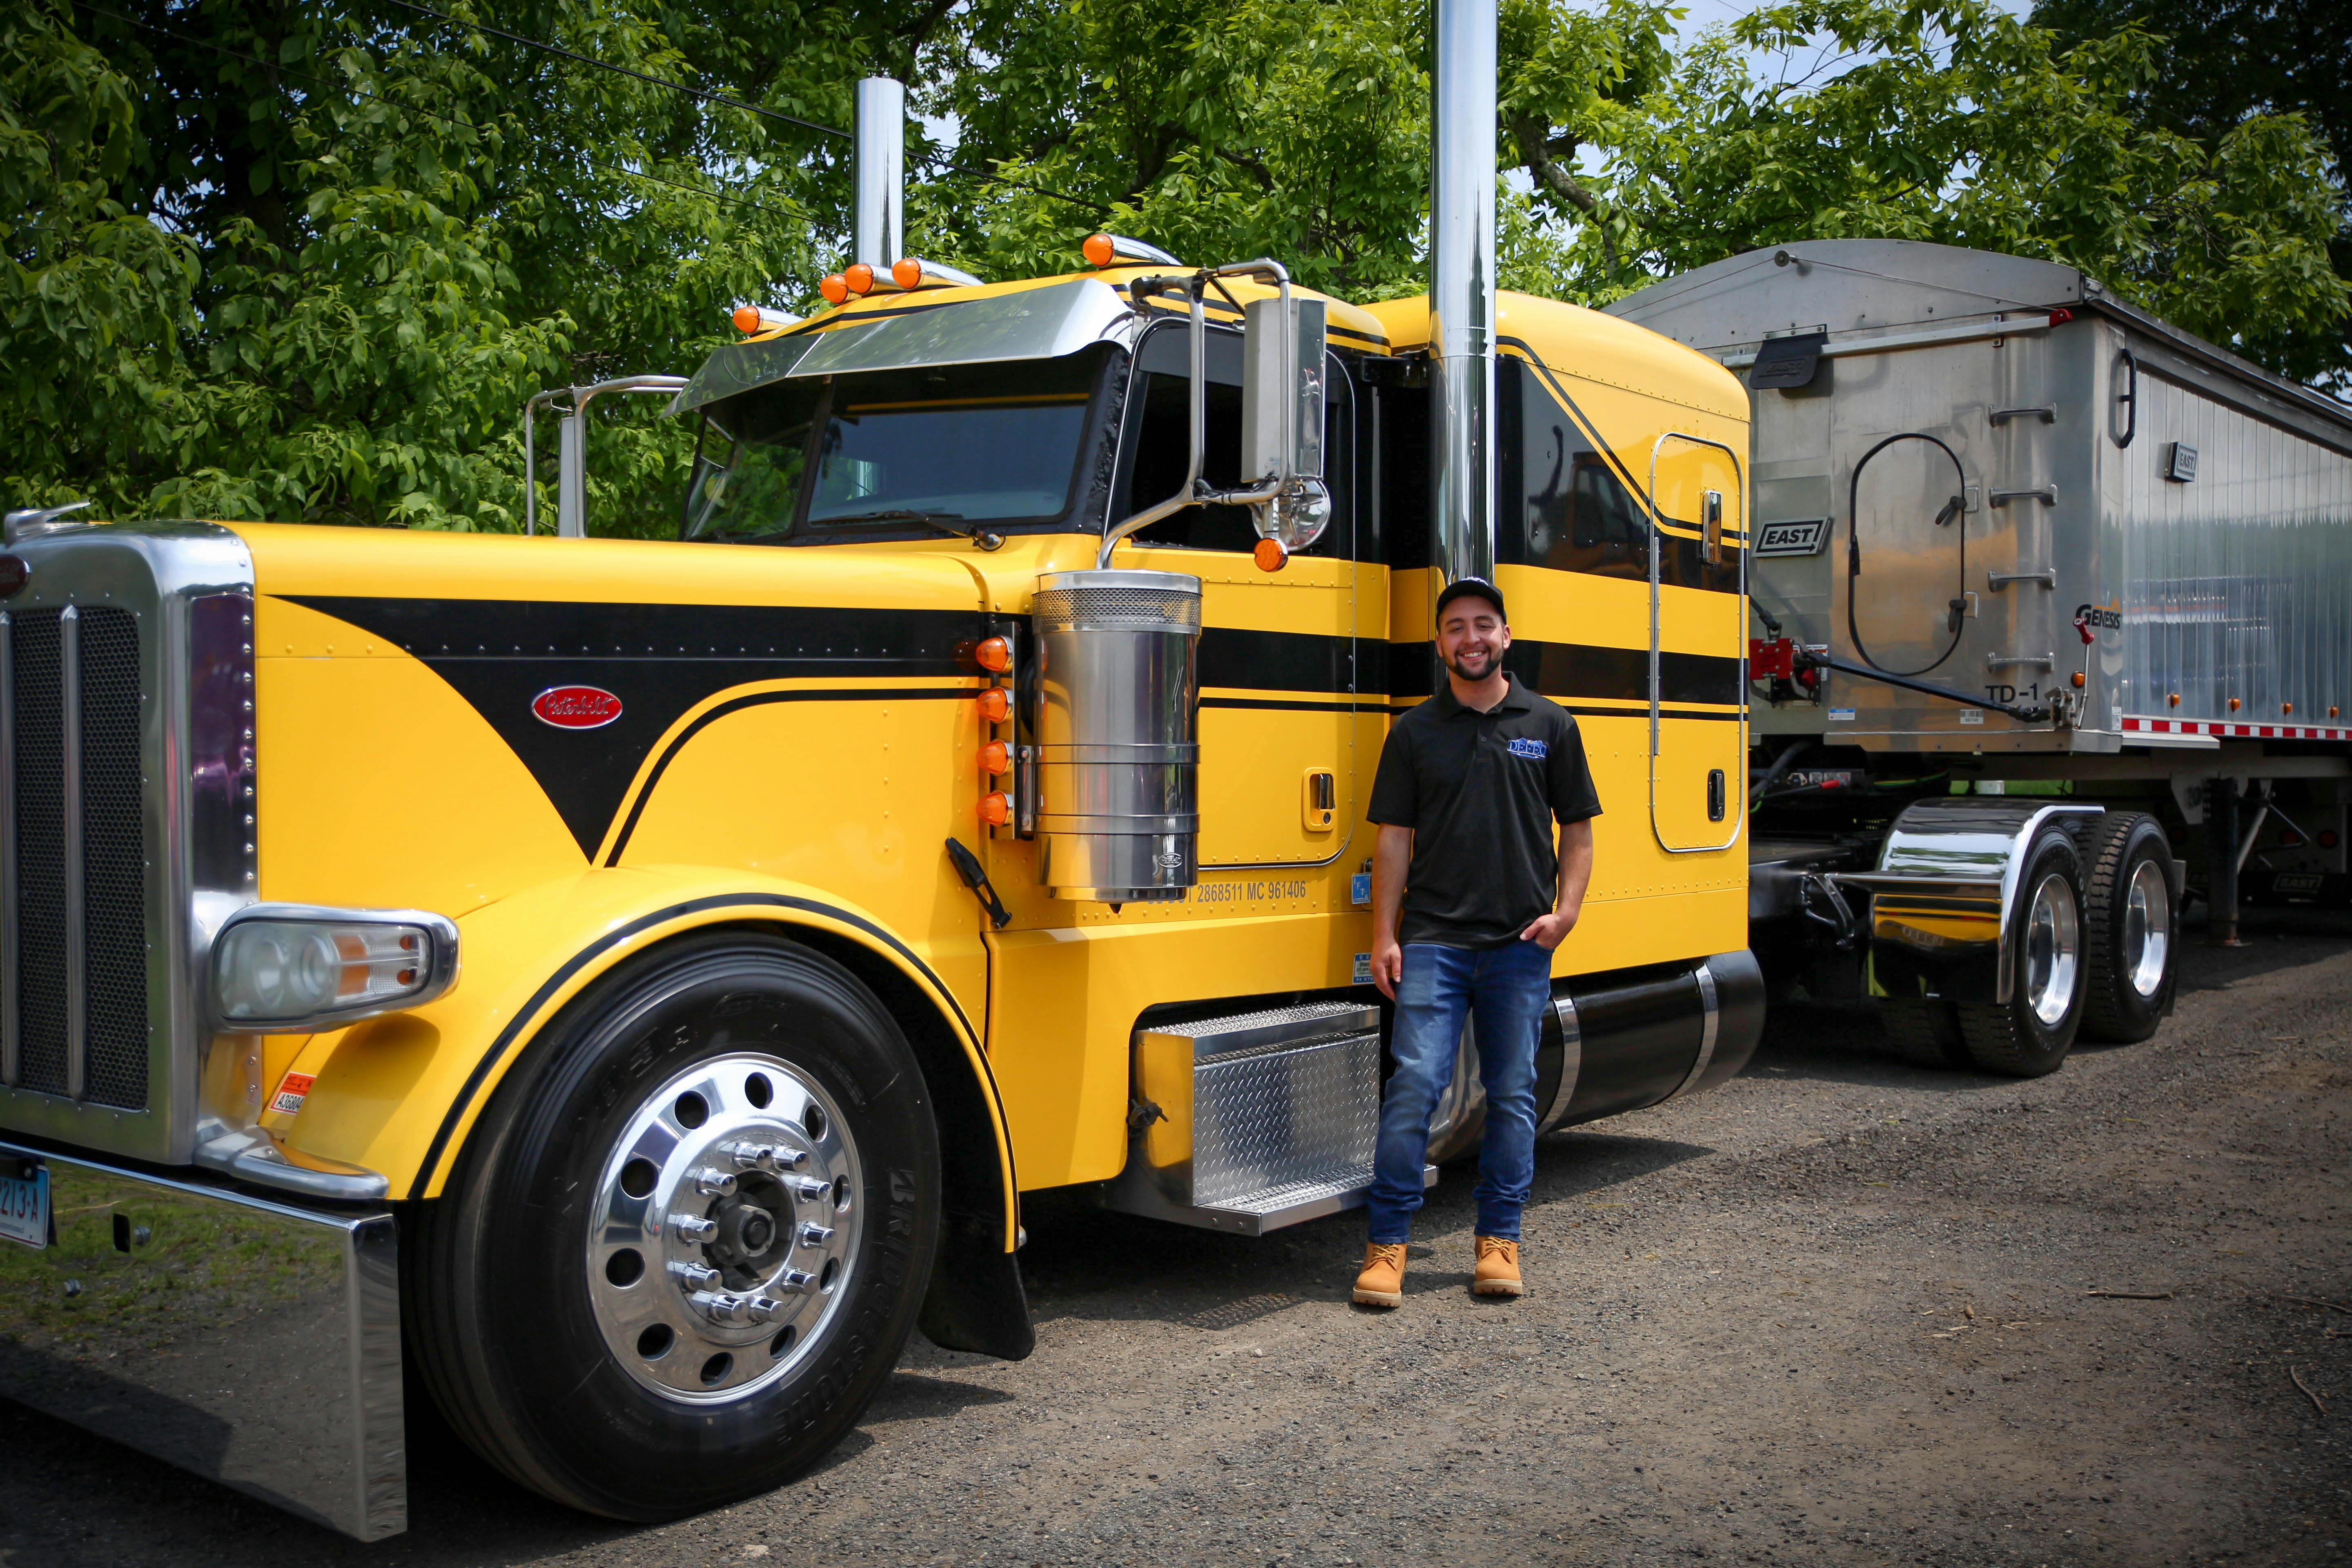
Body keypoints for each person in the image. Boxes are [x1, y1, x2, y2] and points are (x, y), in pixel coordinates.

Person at [1352, 577, 1599, 1306]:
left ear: (1506, 637)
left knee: (1513, 1095)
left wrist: (1569, 914)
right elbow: (1392, 842)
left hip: (1521, 943)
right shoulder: (1414, 732)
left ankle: (1500, 1242)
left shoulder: (1550, 724)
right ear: (1440, 644)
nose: (1471, 639)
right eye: (1456, 627)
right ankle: (1387, 1247)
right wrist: (1385, 936)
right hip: (1433, 942)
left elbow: (1578, 831)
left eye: (1484, 625)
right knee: (1414, 1092)